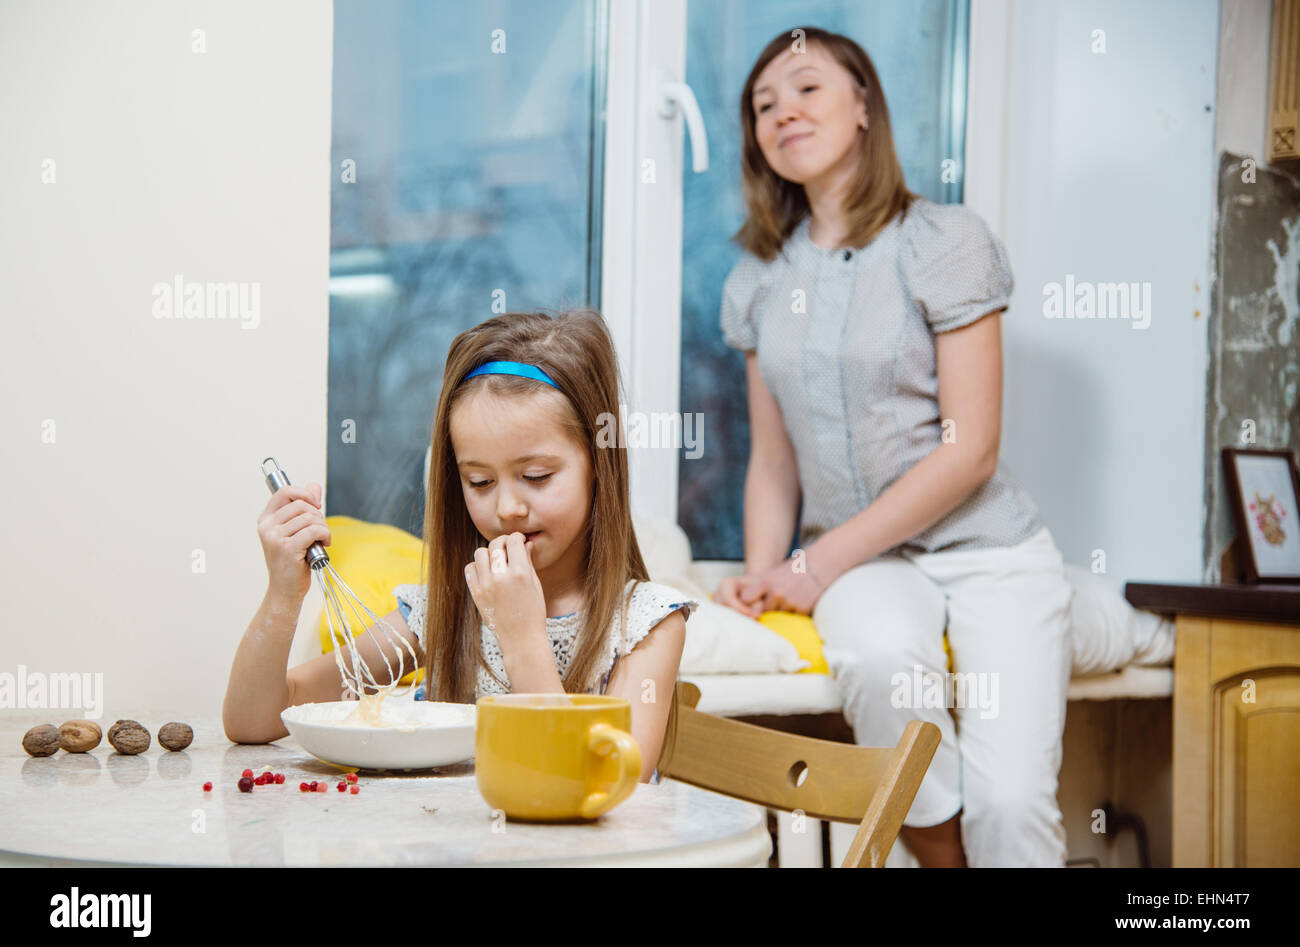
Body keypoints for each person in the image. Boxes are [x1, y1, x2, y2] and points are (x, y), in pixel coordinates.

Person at [711, 26, 1074, 866]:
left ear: (865, 106)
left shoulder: (942, 241)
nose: (782, 113)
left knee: (1012, 806)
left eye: (805, 89)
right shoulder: (758, 279)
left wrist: (815, 562)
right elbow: (773, 461)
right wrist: (768, 573)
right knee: (878, 663)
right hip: (869, 568)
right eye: (763, 106)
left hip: (989, 552)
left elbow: (971, 449)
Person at [224, 309, 697, 783]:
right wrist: (283, 596)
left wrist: (522, 639)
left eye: (536, 476)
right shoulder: (443, 613)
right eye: (480, 481)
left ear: (599, 466)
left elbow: (604, 786)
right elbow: (256, 720)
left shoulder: (646, 625)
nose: (508, 506)